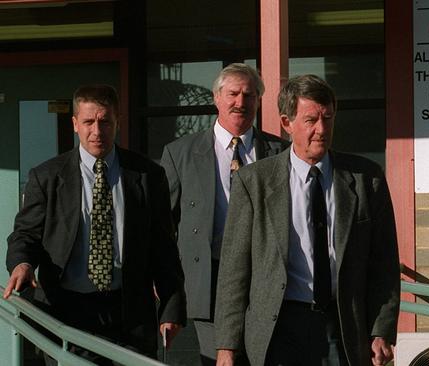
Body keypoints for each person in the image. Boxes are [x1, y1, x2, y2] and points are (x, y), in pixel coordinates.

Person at [214, 74, 401, 366]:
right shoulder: (255, 181)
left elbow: (384, 265)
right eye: (311, 120)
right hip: (278, 327)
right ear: (287, 123)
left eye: (328, 118)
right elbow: (234, 269)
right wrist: (227, 346)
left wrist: (382, 330)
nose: (322, 129)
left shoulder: (366, 179)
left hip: (343, 326)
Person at [3, 84, 187, 365]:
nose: (97, 132)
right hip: (67, 311)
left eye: (105, 122)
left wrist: (172, 308)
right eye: (88, 122)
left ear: (117, 123)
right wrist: (22, 263)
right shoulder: (47, 176)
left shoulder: (148, 176)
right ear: (75, 123)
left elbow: (164, 247)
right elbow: (25, 234)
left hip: (130, 313)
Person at [159, 63, 288, 365]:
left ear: (258, 100)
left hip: (264, 281)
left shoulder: (281, 153)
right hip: (205, 284)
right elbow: (162, 227)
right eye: (233, 93)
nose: (240, 102)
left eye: (249, 95)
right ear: (217, 97)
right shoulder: (180, 154)